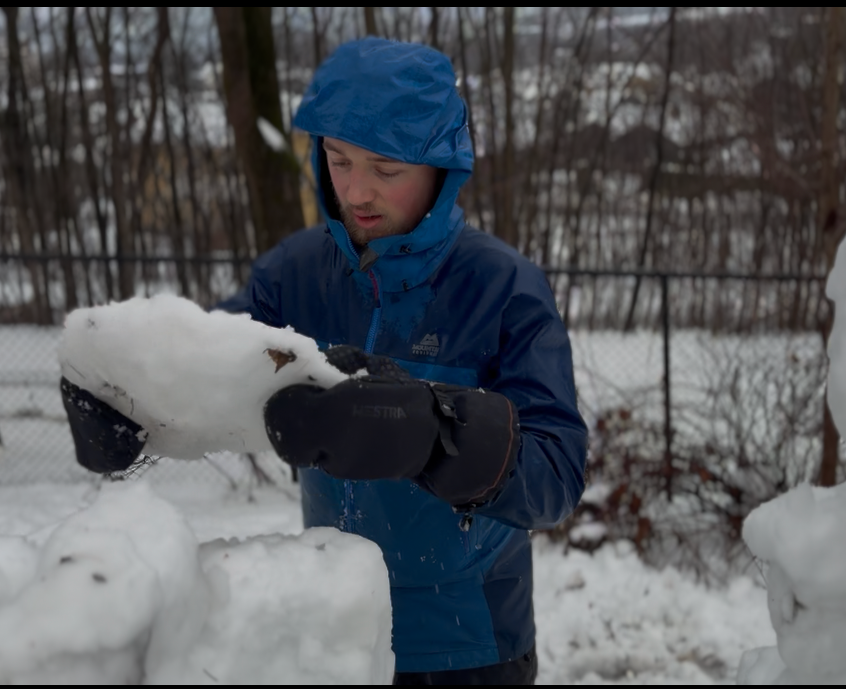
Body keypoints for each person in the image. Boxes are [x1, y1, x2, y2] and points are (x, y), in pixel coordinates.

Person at [60, 36, 588, 685]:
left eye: (385, 169)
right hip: (337, 636)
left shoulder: (503, 287)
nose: (356, 190)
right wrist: (121, 393)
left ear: (441, 168)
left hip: (471, 644)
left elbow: (556, 473)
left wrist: (434, 433)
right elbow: (199, 369)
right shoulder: (292, 277)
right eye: (339, 160)